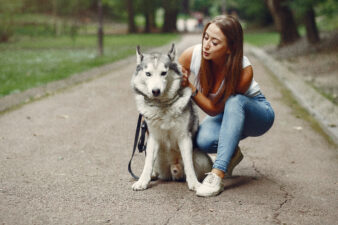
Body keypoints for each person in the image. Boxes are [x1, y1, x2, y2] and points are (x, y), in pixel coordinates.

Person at [178, 15, 275, 197]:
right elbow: (169, 83)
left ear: (230, 48)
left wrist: (190, 88)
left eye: (215, 42)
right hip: (226, 115)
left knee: (235, 100)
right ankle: (231, 153)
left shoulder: (243, 70)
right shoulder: (192, 55)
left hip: (258, 115)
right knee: (202, 140)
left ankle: (217, 174)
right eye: (206, 37)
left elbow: (213, 109)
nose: (206, 45)